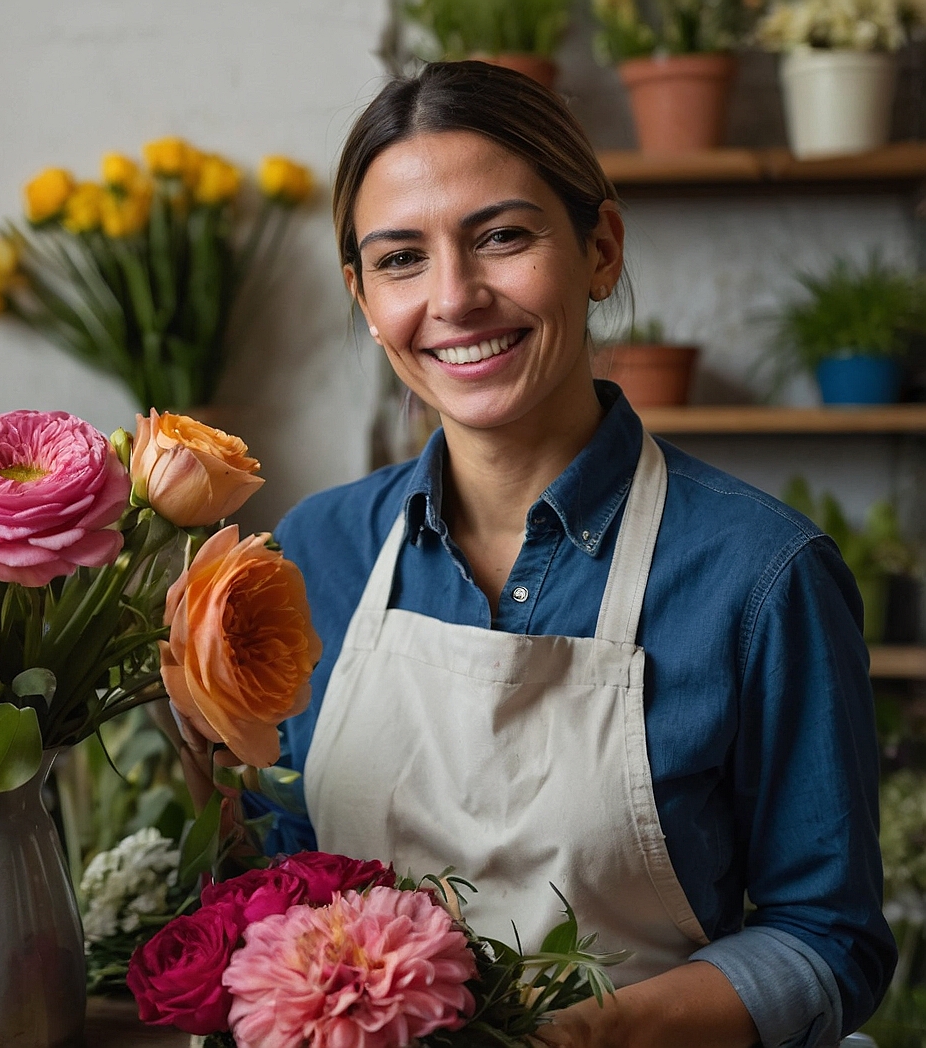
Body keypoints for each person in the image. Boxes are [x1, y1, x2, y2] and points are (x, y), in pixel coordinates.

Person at [177, 61, 895, 1047]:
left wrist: (584, 1036)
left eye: (500, 237)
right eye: (399, 259)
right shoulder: (313, 552)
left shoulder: (761, 577)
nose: (454, 298)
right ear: (359, 293)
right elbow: (287, 866)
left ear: (597, 248)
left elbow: (825, 937)